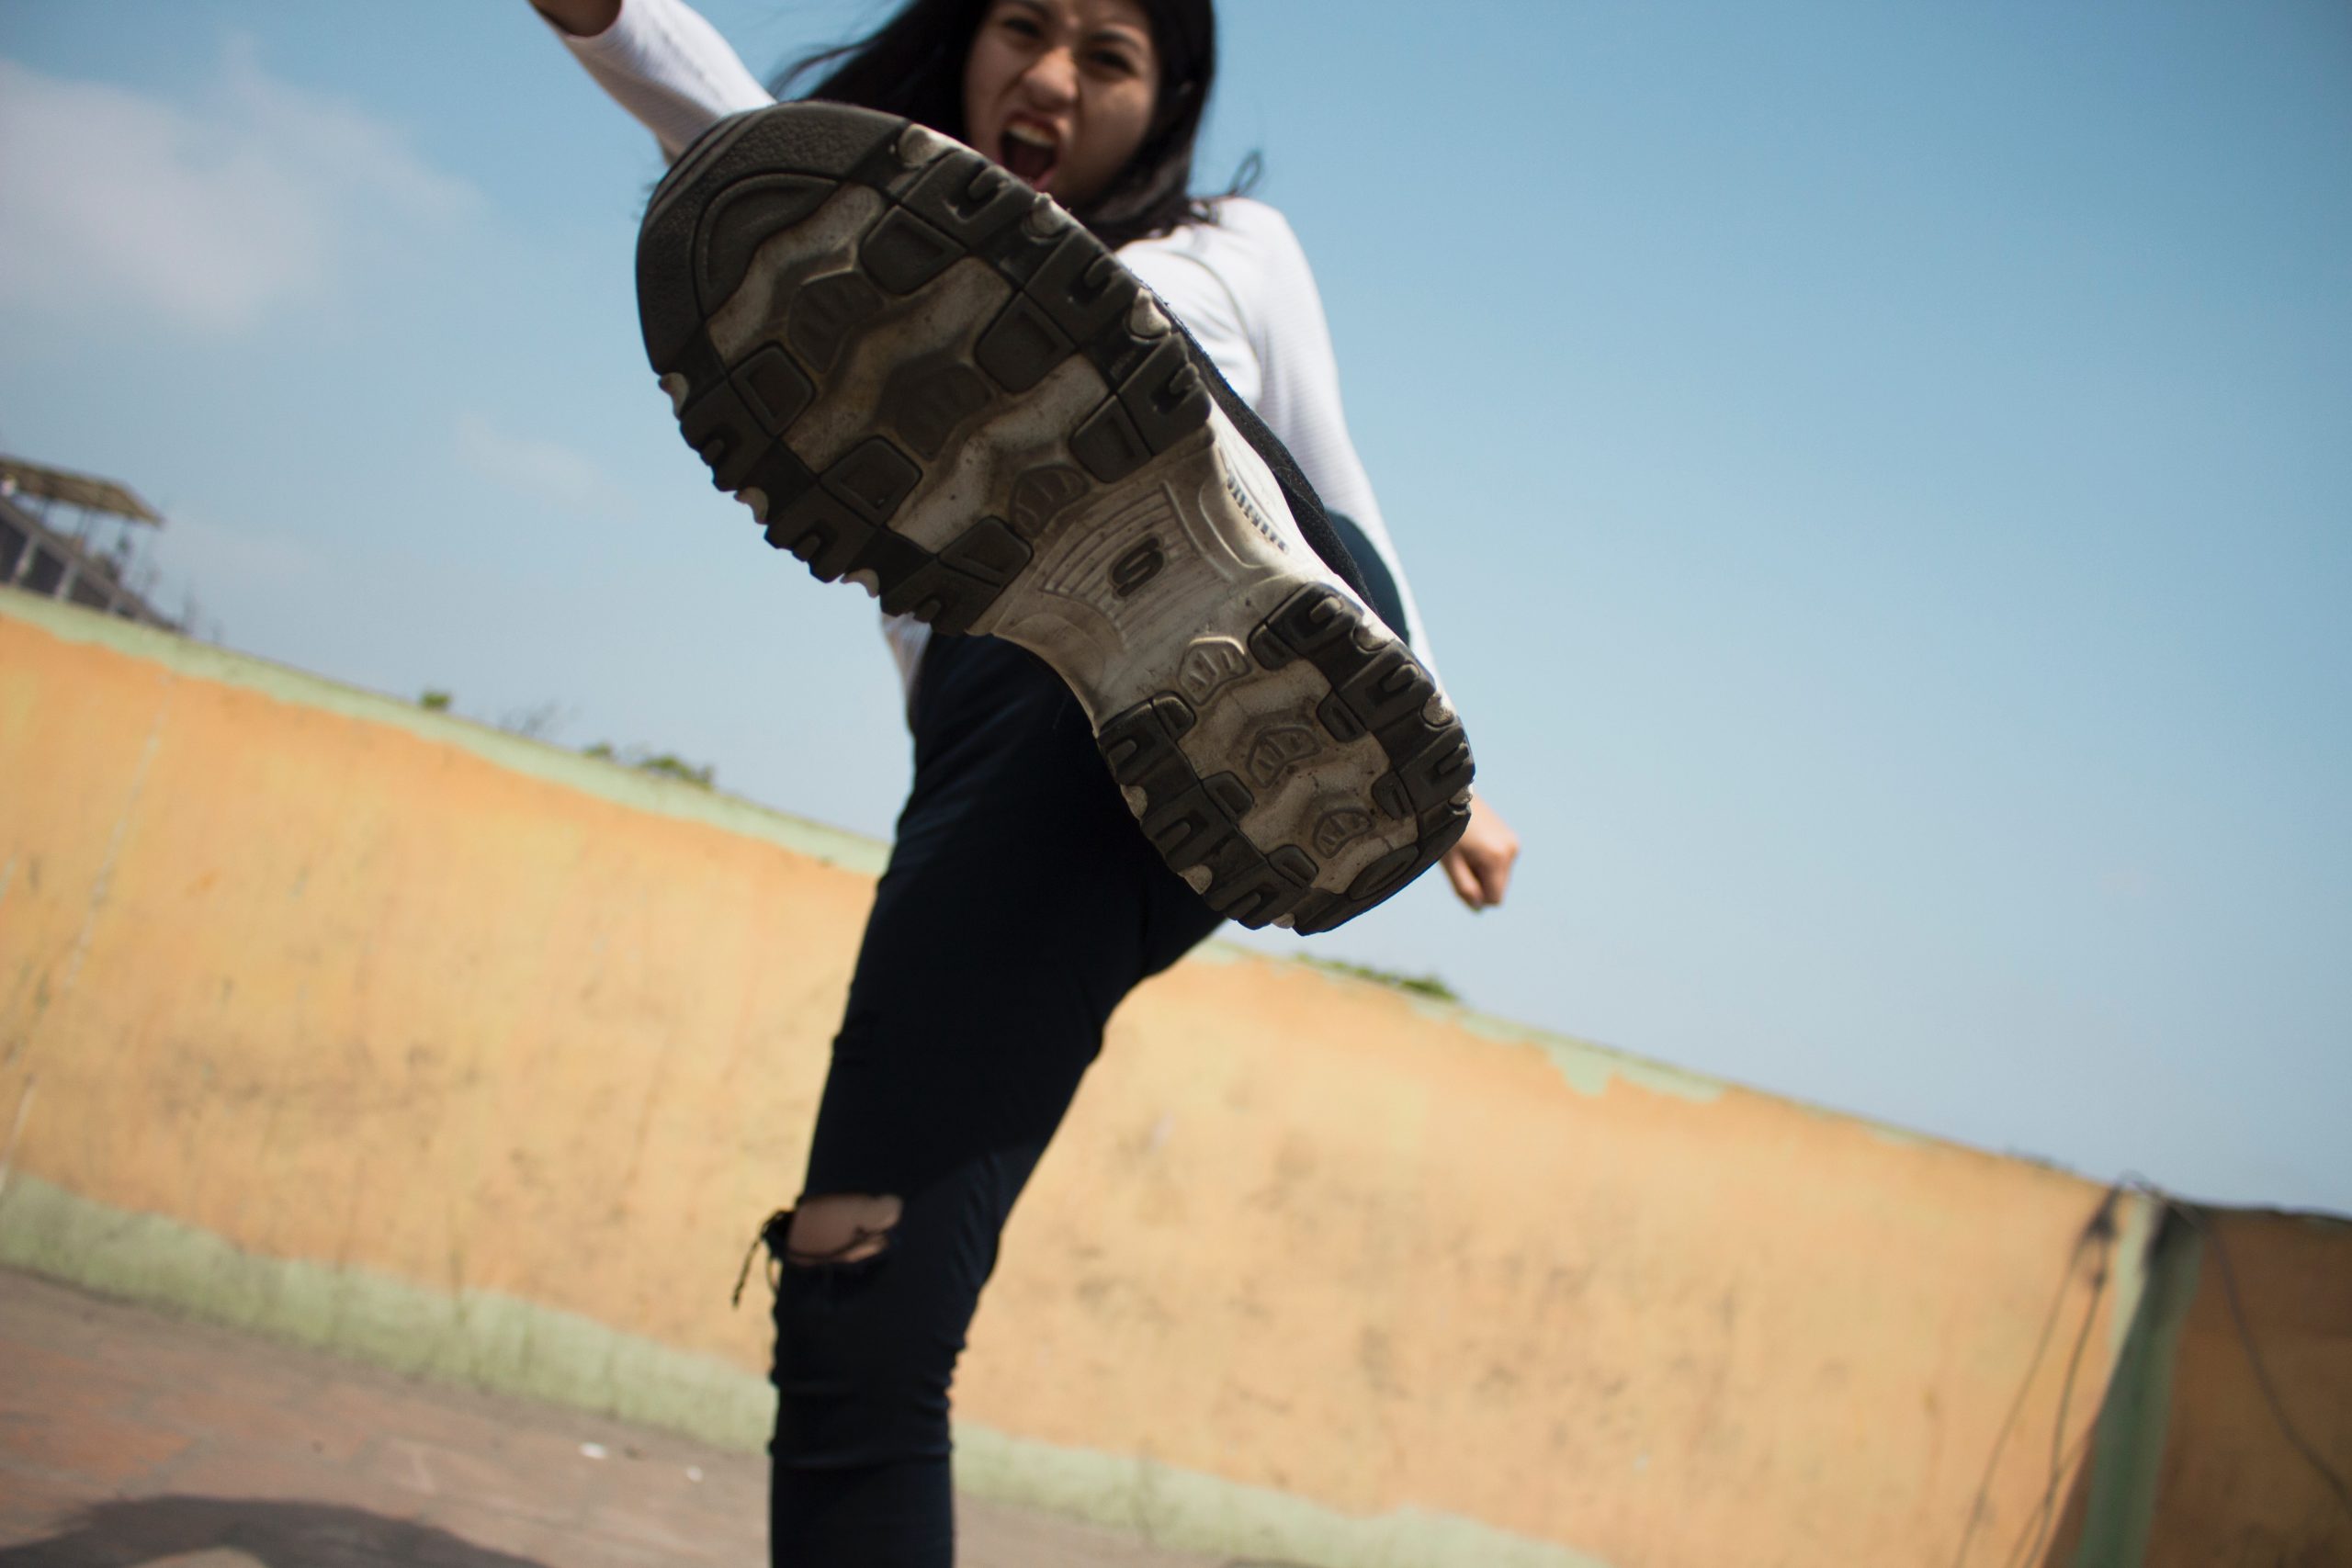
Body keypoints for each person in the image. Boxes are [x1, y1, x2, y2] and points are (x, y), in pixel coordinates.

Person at [530, 2, 1521, 1562]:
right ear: (968, 39)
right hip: (1016, 771)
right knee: (860, 1284)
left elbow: (1345, 475)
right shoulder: (879, 230)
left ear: (1165, 98)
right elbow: (740, 148)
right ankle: (1134, 547)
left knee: (1170, 386)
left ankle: (1194, 533)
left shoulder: (1235, 243)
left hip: (1281, 642)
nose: (1052, 77)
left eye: (1108, 56)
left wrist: (1448, 761)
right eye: (1024, 29)